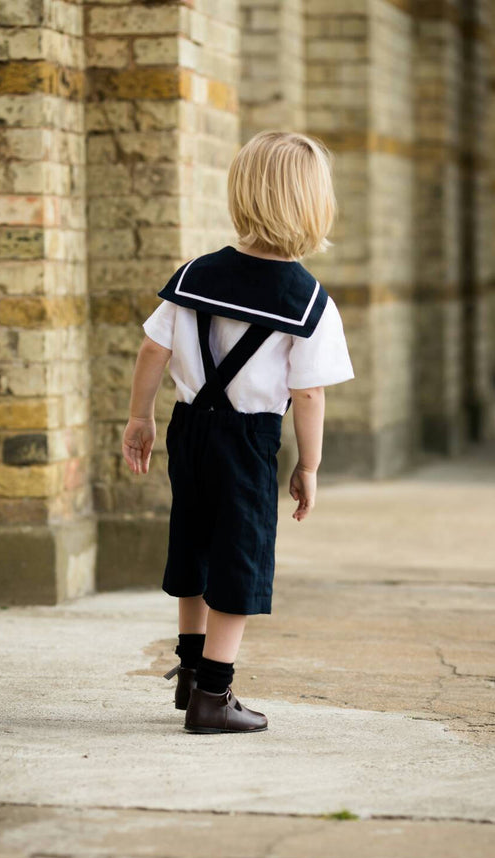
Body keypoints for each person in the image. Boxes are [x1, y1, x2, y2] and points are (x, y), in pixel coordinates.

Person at [121, 130, 354, 734]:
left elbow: (152, 347)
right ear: (313, 204)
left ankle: (191, 674)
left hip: (188, 428)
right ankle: (214, 697)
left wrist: (139, 417)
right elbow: (308, 393)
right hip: (249, 440)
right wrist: (308, 466)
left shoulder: (195, 273)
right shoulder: (307, 300)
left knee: (194, 541)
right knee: (239, 555)